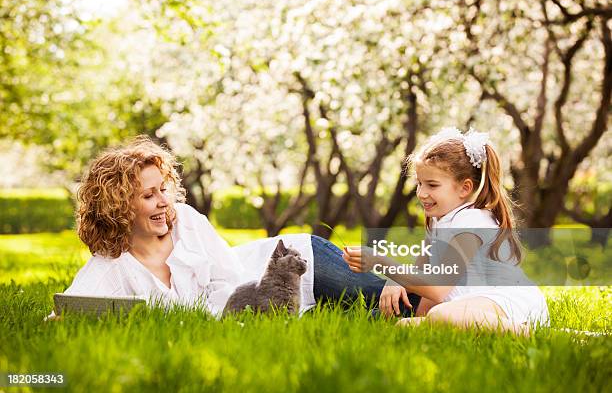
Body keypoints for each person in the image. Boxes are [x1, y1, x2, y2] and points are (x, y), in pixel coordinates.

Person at [48, 136, 420, 319]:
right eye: (149, 195)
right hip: (285, 308)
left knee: (409, 299)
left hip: (303, 266)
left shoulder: (186, 222)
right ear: (117, 207)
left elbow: (227, 281)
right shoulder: (112, 265)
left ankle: (472, 285)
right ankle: (467, 308)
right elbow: (71, 308)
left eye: (164, 189)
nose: (164, 201)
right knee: (388, 320)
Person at [343, 128, 549, 334]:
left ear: (464, 188)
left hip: (506, 302)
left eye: (432, 185)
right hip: (464, 305)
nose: (422, 193)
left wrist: (381, 262)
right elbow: (423, 277)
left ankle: (539, 333)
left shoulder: (472, 221)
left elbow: (437, 288)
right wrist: (395, 281)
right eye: (419, 184)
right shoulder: (438, 220)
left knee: (441, 316)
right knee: (412, 321)